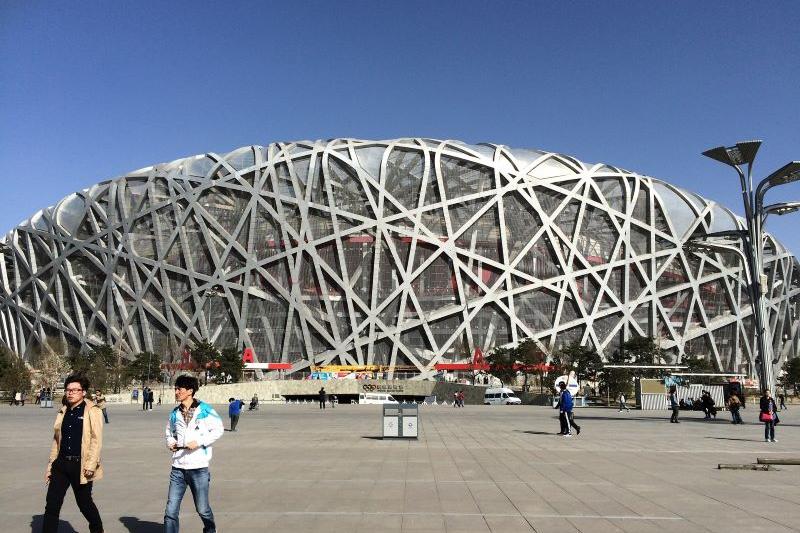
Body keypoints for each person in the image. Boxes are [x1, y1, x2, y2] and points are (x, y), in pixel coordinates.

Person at [42, 374, 104, 533]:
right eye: (68, 390)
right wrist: (51, 465)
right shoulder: (63, 411)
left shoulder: (93, 411)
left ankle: (97, 530)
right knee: (52, 505)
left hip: (81, 465)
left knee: (85, 504)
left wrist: (90, 465)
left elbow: (96, 441)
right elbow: (56, 441)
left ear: (83, 392)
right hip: (61, 465)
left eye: (75, 390)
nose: (70, 393)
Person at [164, 375, 224, 533]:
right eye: (175, 389)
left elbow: (218, 429)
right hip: (177, 468)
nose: (176, 392)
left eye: (179, 389)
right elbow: (169, 432)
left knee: (202, 509)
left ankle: (210, 529)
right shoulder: (175, 412)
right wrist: (171, 442)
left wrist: (199, 442)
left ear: (190, 391)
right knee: (170, 511)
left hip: (198, 468)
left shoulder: (204, 410)